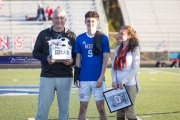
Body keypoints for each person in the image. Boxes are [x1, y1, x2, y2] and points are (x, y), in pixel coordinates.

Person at [32, 8, 76, 120]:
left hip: (65, 76)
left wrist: (72, 61)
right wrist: (46, 58)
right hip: (47, 75)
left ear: (65, 19)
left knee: (64, 111)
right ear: (52, 19)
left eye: (61, 18)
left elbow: (78, 56)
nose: (59, 20)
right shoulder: (43, 34)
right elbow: (35, 52)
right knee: (42, 110)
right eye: (56, 18)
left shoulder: (72, 36)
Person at [74, 11, 110, 120]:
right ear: (85, 22)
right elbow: (78, 58)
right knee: (82, 108)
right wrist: (76, 76)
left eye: (93, 21)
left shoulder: (103, 38)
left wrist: (101, 77)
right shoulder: (80, 38)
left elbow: (105, 59)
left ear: (97, 22)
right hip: (84, 78)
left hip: (98, 78)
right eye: (88, 21)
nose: (90, 23)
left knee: (101, 108)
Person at [111, 26, 140, 120]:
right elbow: (113, 68)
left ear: (129, 36)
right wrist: (114, 81)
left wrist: (124, 81)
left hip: (130, 84)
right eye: (119, 33)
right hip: (118, 85)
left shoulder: (135, 49)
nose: (119, 35)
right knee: (119, 113)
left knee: (129, 113)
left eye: (122, 34)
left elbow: (135, 69)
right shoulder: (117, 49)